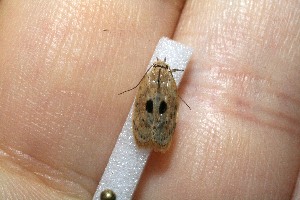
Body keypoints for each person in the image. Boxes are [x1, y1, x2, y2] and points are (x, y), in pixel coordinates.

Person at [0, 1, 299, 199]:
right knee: (161, 106)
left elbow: (150, 96)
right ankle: (153, 135)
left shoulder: (160, 75)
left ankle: (151, 134)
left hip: (155, 96)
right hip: (161, 95)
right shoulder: (167, 76)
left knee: (155, 106)